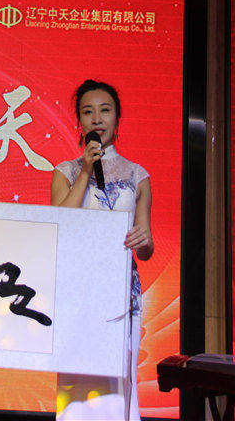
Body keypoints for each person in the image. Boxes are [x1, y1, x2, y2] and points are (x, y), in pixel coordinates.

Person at [50, 79, 153, 421]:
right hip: (77, 290)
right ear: (79, 121)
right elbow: (60, 224)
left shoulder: (137, 176)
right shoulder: (65, 172)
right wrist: (85, 171)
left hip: (121, 293)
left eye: (105, 110)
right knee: (75, 385)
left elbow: (146, 247)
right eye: (88, 112)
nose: (97, 119)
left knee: (119, 381)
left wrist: (143, 240)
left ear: (117, 118)